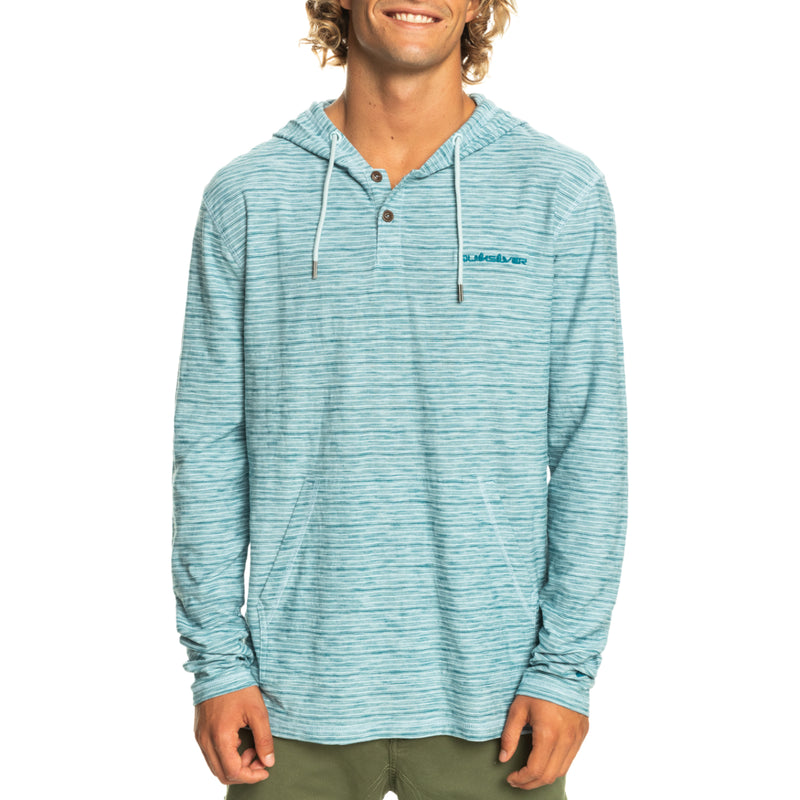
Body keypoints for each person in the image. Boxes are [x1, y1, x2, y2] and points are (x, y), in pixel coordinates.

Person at [171, 1, 628, 797]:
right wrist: (217, 664)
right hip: (287, 702)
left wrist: (564, 671)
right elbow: (209, 447)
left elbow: (591, 445)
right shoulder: (248, 196)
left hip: (500, 704)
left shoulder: (558, 191)